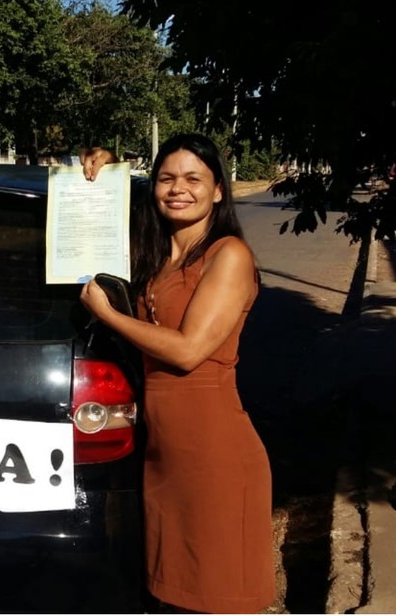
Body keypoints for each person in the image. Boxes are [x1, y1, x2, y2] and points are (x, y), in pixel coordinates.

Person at [79, 134, 276, 613]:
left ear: (218, 191)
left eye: (194, 179)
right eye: (167, 178)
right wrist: (109, 168)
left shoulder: (228, 255)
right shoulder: (160, 253)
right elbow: (92, 220)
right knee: (172, 594)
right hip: (164, 450)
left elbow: (188, 351)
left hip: (214, 452)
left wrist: (109, 316)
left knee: (218, 597)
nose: (177, 189)